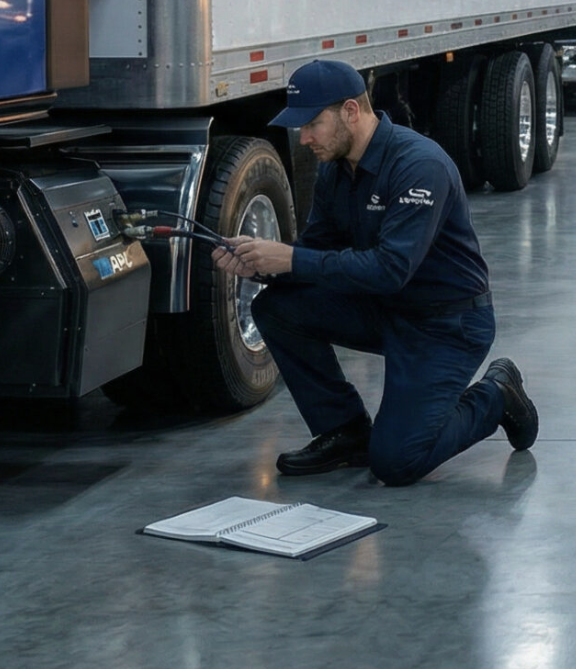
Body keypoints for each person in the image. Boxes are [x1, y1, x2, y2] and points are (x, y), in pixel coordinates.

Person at [215, 59, 540, 485]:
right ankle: (345, 431)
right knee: (277, 307)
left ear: (351, 111)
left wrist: (289, 259)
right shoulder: (336, 170)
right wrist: (259, 264)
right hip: (386, 310)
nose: (304, 137)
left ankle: (497, 394)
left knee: (396, 462)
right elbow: (317, 253)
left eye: (312, 123)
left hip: (447, 324)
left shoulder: (419, 166)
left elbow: (390, 270)